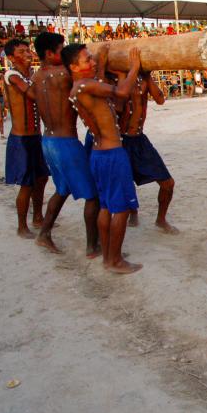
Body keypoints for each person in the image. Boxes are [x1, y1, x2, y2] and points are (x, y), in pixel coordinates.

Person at [62, 43, 143, 273]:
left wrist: (103, 59)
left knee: (106, 206)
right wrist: (133, 68)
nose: (93, 62)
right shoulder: (87, 85)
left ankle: (108, 255)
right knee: (122, 208)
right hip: (112, 153)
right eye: (87, 59)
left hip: (99, 153)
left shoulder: (78, 88)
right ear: (74, 66)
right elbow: (122, 93)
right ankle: (114, 260)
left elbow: (113, 104)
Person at [29, 33, 101, 258]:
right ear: (49, 54)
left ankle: (44, 234)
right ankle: (92, 247)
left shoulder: (37, 76)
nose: (64, 53)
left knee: (62, 189)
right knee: (93, 195)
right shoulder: (63, 74)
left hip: (48, 141)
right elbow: (90, 74)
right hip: (65, 142)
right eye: (61, 50)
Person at [116, 70, 179, 234]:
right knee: (125, 182)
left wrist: (147, 75)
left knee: (168, 183)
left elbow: (160, 100)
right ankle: (133, 212)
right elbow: (118, 105)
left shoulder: (144, 79)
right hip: (120, 140)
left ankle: (161, 220)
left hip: (139, 139)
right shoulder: (117, 77)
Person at [3, 39, 49, 238]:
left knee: (41, 178)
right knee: (27, 183)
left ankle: (38, 217)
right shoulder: (11, 75)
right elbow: (31, 94)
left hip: (35, 137)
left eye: (27, 50)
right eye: (22, 51)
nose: (28, 53)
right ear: (11, 58)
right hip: (21, 140)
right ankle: (22, 226)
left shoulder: (30, 75)